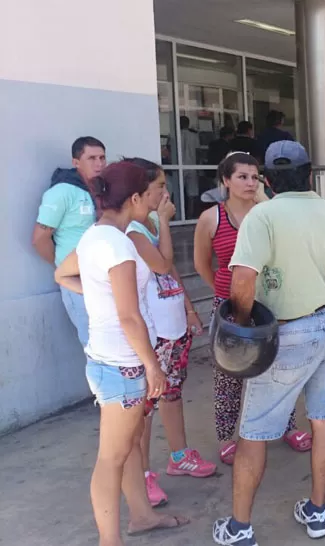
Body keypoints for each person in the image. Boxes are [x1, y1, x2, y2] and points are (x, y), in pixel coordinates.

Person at [212, 140, 325, 545]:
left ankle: (239, 528)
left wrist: (240, 329)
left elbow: (243, 279)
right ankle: (317, 513)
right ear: (310, 176)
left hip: (285, 333)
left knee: (254, 431)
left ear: (268, 179)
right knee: (324, 420)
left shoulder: (262, 216)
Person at [54, 161, 189, 544]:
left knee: (126, 447)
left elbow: (63, 275)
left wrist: (100, 298)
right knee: (111, 459)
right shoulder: (118, 245)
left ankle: (142, 515)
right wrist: (153, 367)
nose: (159, 198)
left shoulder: (96, 235)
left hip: (106, 359)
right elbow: (130, 317)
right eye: (154, 191)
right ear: (134, 197)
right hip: (124, 365)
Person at [193, 152, 311, 466]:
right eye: (242, 176)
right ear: (226, 181)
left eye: (254, 176)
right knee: (228, 377)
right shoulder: (212, 218)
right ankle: (226, 438)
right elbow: (202, 263)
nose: (249, 182)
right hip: (229, 308)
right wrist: (223, 290)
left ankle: (287, 426)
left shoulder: (268, 213)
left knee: (278, 369)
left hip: (267, 305)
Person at [121, 158, 214, 508]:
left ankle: (179, 455)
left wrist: (189, 308)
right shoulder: (133, 231)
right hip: (154, 333)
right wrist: (163, 221)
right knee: (144, 409)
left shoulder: (149, 226)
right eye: (159, 186)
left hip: (174, 328)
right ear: (138, 194)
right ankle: (142, 475)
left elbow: (171, 269)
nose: (165, 192)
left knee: (172, 395)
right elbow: (160, 263)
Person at [32, 136, 106, 346]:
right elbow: (40, 238)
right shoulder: (62, 192)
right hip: (78, 280)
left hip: (105, 277)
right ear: (76, 162)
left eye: (102, 157)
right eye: (91, 158)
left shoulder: (102, 189)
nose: (99, 163)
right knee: (95, 347)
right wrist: (64, 267)